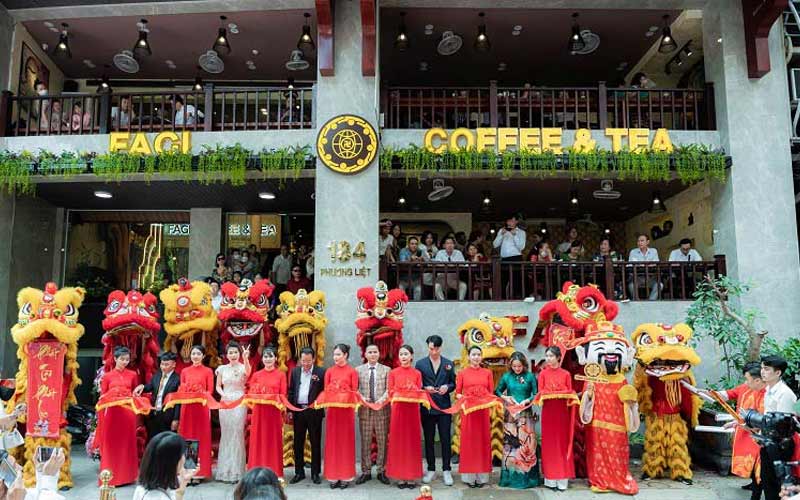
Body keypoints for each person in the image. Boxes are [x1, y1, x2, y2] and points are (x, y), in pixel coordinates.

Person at [95, 346, 149, 486]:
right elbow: (102, 396)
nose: (125, 362)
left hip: (127, 414)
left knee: (126, 444)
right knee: (111, 444)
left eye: (127, 359)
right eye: (122, 359)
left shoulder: (132, 374)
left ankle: (127, 477)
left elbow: (135, 394)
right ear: (115, 359)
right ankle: (110, 477)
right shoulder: (107, 376)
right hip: (112, 414)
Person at [708, 362, 765, 492]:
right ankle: (754, 483)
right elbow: (730, 394)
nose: (746, 382)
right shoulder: (747, 387)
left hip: (754, 428)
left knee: (756, 458)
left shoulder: (763, 391)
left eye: (747, 379)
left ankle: (758, 485)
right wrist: (710, 394)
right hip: (744, 427)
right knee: (746, 456)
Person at [313, 344, 360, 489]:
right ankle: (333, 476)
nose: (336, 357)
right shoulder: (329, 372)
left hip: (346, 412)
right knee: (333, 442)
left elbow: (354, 392)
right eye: (334, 355)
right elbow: (326, 391)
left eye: (339, 354)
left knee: (345, 443)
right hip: (333, 412)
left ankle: (346, 476)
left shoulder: (352, 372)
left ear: (345, 355)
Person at [166, 345, 214, 481]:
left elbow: (210, 391)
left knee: (201, 438)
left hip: (201, 407)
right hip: (187, 408)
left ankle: (199, 472)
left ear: (203, 356)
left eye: (198, 354)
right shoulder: (185, 371)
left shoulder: (208, 371)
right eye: (193, 354)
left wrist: (199, 393)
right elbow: (182, 388)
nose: (195, 356)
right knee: (187, 438)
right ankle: (187, 470)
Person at [534, 346, 578, 491]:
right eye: (547, 356)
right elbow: (540, 393)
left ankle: (562, 479)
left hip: (562, 414)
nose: (548, 359)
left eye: (551, 356)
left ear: (559, 358)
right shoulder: (543, 374)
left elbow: (569, 393)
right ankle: (550, 480)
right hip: (548, 413)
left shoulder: (566, 374)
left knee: (562, 444)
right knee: (549, 445)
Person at [415, 334, 456, 486]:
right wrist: (425, 388)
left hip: (444, 407)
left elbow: (454, 383)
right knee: (429, 439)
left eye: (436, 348)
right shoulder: (420, 364)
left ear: (441, 347)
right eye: (431, 348)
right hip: (427, 407)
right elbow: (416, 384)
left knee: (446, 439)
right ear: (428, 347)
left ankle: (446, 470)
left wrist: (448, 387)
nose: (434, 351)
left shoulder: (448, 364)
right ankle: (431, 468)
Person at [495, 352, 539, 488]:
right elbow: (497, 390)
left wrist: (528, 400)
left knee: (527, 445)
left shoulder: (530, 377)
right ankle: (510, 478)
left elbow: (537, 393)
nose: (517, 368)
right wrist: (506, 398)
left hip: (525, 414)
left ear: (524, 365)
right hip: (511, 415)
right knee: (511, 446)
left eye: (519, 366)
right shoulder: (507, 377)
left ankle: (527, 478)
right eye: (514, 366)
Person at [454, 345, 495, 488]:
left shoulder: (487, 373)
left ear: (481, 357)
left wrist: (483, 398)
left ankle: (481, 477)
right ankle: (469, 477)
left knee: (482, 442)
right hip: (469, 413)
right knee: (470, 442)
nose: (476, 357)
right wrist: (466, 398)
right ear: (469, 356)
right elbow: (457, 393)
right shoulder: (462, 373)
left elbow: (491, 393)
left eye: (478, 354)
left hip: (482, 412)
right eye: (473, 354)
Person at [758, 355, 798, 500]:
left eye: (767, 369)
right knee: (767, 481)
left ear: (778, 373)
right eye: (762, 368)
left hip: (781, 445)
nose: (762, 372)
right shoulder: (769, 390)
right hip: (768, 441)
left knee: (779, 483)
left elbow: (783, 425)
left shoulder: (785, 393)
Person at [386, 345, 426, 489]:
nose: (403, 357)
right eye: (401, 354)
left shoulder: (417, 373)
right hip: (398, 411)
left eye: (406, 354)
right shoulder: (393, 373)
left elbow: (419, 391)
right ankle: (400, 477)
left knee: (412, 443)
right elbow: (390, 392)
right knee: (399, 443)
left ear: (411, 356)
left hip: (413, 411)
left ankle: (411, 477)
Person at [246, 347, 287, 476]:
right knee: (258, 440)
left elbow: (283, 394)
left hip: (273, 414)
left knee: (272, 441)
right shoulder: (257, 375)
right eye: (265, 356)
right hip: (259, 412)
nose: (268, 359)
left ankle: (275, 472)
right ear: (262, 359)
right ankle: (256, 472)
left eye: (270, 356)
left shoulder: (281, 374)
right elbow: (250, 392)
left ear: (275, 358)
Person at [288, 347, 325, 484]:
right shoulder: (295, 371)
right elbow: (291, 391)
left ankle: (315, 473)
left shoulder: (321, 372)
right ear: (300, 360)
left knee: (315, 442)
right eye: (303, 361)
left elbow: (324, 392)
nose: (306, 364)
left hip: (314, 412)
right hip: (298, 411)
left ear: (313, 359)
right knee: (298, 442)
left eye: (308, 361)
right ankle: (299, 472)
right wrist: (290, 410)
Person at [215, 342, 251, 482]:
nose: (233, 355)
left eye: (235, 352)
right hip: (225, 401)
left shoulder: (243, 367)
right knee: (226, 434)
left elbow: (248, 373)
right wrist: (223, 394)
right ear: (226, 354)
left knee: (237, 433)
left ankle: (237, 471)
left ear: (239, 354)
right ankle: (224, 471)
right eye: (230, 352)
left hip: (239, 401)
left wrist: (246, 358)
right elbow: (217, 386)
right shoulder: (221, 369)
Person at [355, 345, 391, 485]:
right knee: (365, 441)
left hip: (382, 410)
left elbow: (389, 389)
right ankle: (366, 471)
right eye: (370, 352)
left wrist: (380, 401)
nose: (372, 354)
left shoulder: (387, 370)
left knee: (382, 442)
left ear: (379, 353)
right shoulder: (358, 370)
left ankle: (382, 470)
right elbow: (355, 389)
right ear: (365, 354)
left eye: (375, 352)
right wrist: (363, 398)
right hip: (365, 411)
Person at [133, 431, 197, 500]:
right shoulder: (159, 497)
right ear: (173, 462)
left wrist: (183, 482)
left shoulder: (141, 488)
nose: (184, 458)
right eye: (183, 454)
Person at [134, 352, 181, 441]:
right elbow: (150, 386)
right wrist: (142, 387)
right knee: (153, 440)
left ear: (174, 364)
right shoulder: (157, 375)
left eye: (166, 364)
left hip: (168, 416)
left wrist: (176, 419)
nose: (163, 367)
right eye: (162, 364)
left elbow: (177, 401)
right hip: (154, 413)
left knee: (167, 441)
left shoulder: (177, 379)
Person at [493, 214, 526, 297]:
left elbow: (521, 247)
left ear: (516, 221)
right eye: (508, 221)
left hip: (516, 258)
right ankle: (502, 300)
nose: (509, 222)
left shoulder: (521, 233)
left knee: (516, 282)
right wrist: (501, 235)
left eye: (511, 220)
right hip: (504, 259)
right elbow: (495, 245)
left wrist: (515, 235)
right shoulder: (502, 230)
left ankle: (516, 300)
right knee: (503, 281)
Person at [628, 234, 661, 300]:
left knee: (660, 285)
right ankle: (637, 302)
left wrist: (640, 265)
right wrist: (647, 264)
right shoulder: (633, 252)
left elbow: (655, 263)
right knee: (631, 286)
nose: (639, 243)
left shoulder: (653, 251)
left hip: (650, 278)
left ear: (647, 242)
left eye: (642, 241)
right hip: (637, 278)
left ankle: (651, 302)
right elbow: (630, 265)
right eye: (638, 241)